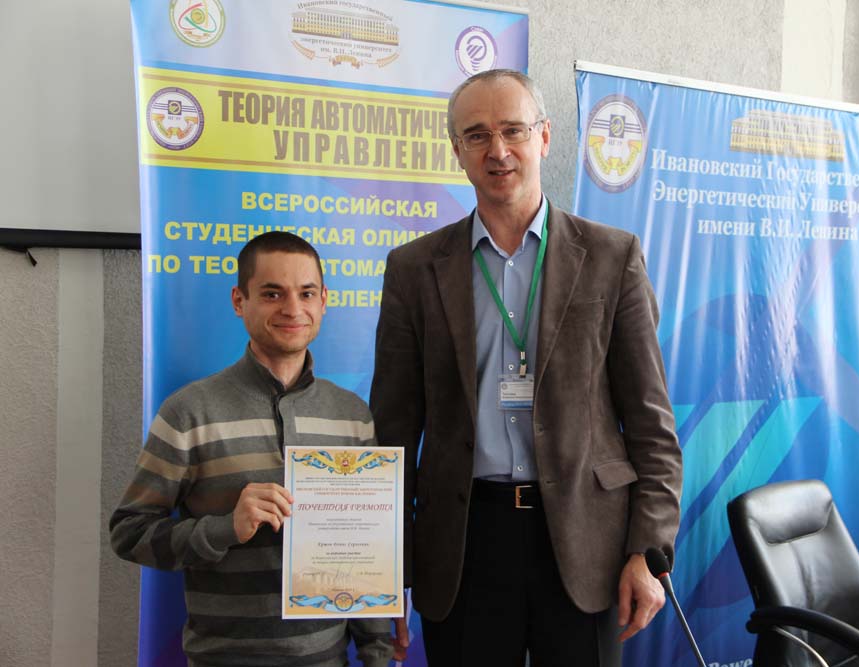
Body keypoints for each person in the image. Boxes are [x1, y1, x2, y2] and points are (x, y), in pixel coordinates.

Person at [370, 69, 683, 666]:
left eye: (513, 130)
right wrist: (386, 567)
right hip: (463, 544)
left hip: (586, 543)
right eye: (477, 135)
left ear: (543, 137)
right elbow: (393, 430)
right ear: (457, 150)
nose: (498, 150)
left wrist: (649, 550)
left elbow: (651, 425)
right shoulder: (414, 269)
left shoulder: (612, 257)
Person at [110, 231, 407, 667]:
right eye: (272, 293)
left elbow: (365, 547)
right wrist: (225, 529)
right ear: (239, 300)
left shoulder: (351, 416)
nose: (293, 308)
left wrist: (377, 651)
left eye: (306, 293)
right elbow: (129, 533)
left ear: (324, 300)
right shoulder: (189, 412)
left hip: (328, 659)